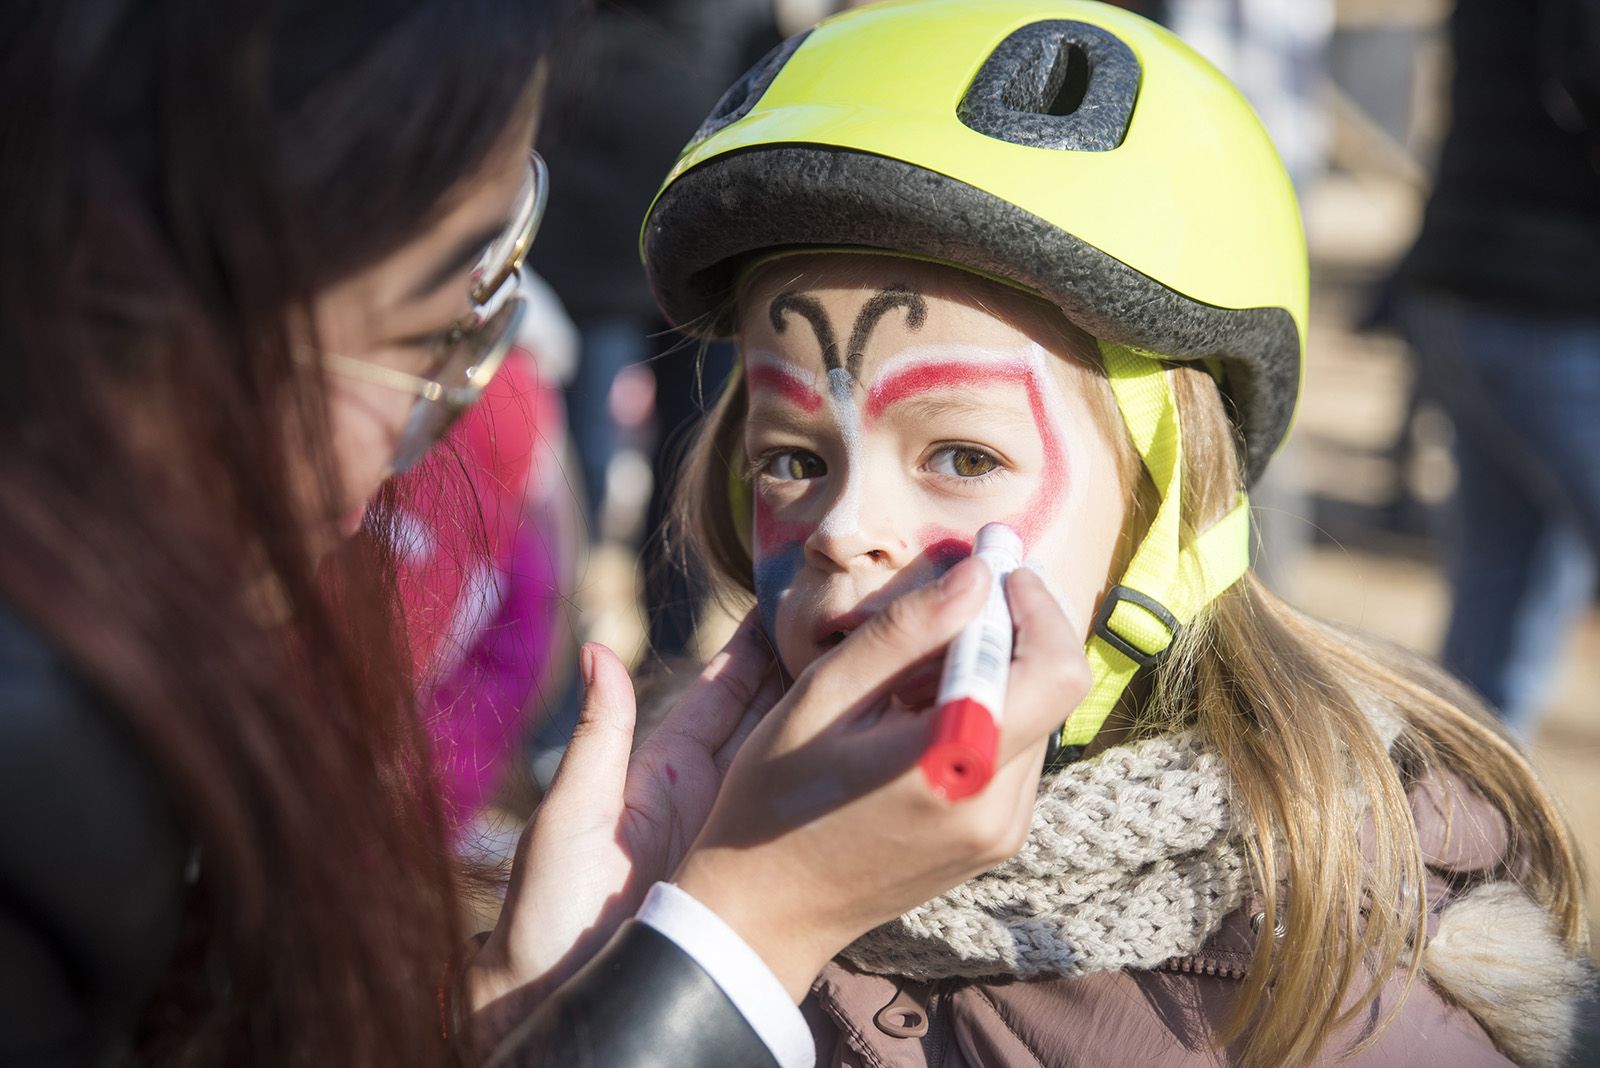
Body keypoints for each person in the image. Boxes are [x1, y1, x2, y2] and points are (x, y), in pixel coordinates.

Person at [0, 2, 1089, 1065]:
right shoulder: (40, 791)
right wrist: (743, 937)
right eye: (428, 330)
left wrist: (519, 999)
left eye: (964, 457)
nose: (845, 533)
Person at [642, 1, 1594, 1064]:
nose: (841, 528)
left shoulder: (1344, 1000)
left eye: (962, 458)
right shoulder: (672, 858)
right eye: (792, 462)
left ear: (1172, 508)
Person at [1393, 0, 1600, 736]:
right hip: (1548, 308)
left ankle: (1462, 837)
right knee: (1500, 603)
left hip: (1472, 292)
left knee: (1499, 601)